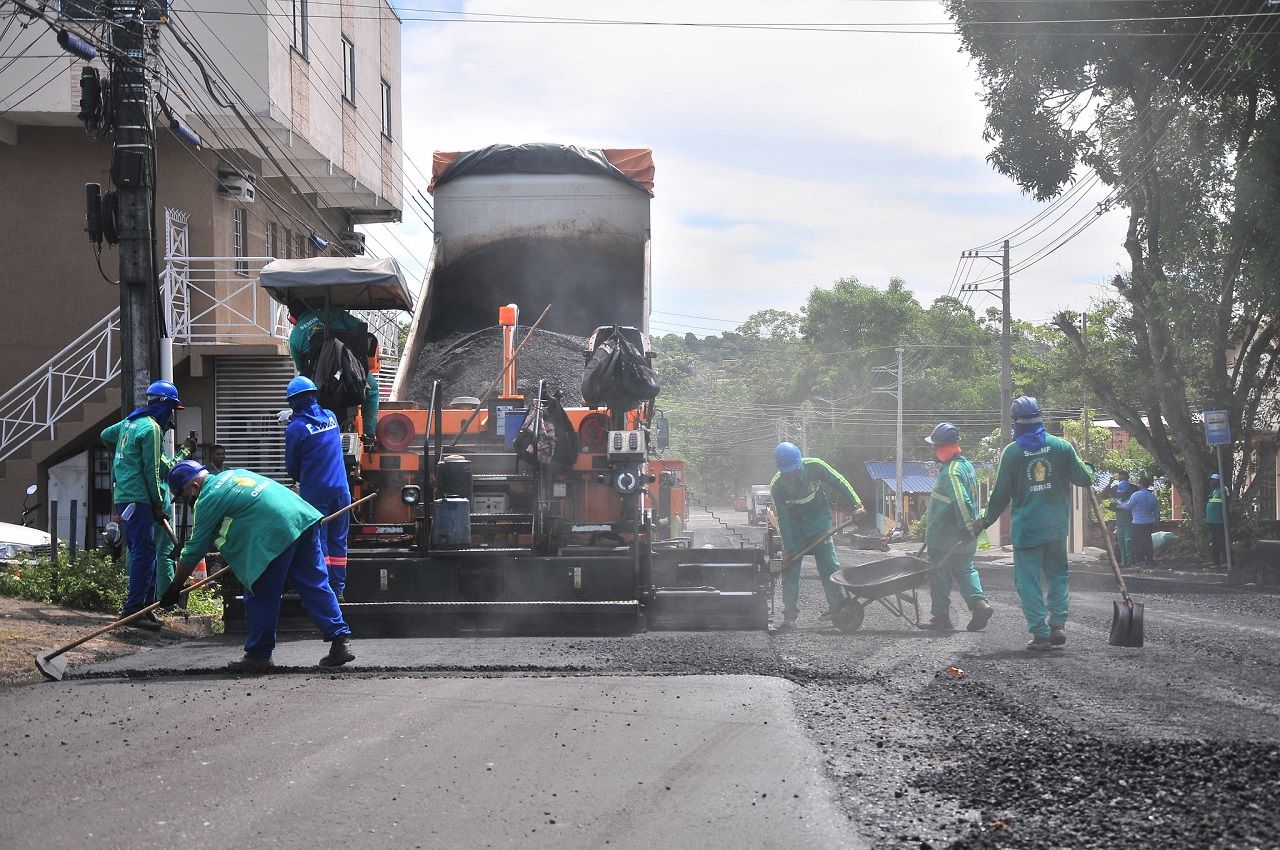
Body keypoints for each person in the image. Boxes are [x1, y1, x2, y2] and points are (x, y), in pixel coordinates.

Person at [161, 460, 354, 671]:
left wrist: (175, 586)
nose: (189, 502)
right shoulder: (235, 475)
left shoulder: (207, 498)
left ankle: (258, 655)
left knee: (260, 593)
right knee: (315, 585)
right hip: (301, 518)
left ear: (195, 487)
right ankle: (340, 642)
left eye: (187, 496)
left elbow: (194, 550)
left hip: (275, 531)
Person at [976, 397, 1093, 651]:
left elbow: (1000, 495)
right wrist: (1090, 468)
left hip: (1027, 531)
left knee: (1027, 581)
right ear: (1041, 417)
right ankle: (1058, 624)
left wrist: (984, 521)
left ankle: (1040, 634)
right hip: (1056, 529)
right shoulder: (1061, 447)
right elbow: (1084, 478)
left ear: (1016, 422)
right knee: (1058, 576)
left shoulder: (1013, 452)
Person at [105, 380, 187, 629]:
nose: (172, 414)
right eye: (172, 408)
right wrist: (157, 503)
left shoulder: (130, 422)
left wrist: (124, 460)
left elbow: (105, 435)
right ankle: (133, 611)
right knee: (143, 553)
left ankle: (146, 607)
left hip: (128, 496)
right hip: (138, 498)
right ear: (163, 405)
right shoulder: (151, 428)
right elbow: (152, 471)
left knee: (148, 551)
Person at [769, 442, 866, 632]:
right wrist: (788, 548)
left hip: (818, 524)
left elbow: (839, 481)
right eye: (788, 472)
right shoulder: (778, 485)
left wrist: (856, 505)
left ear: (800, 461)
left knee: (830, 565)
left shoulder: (816, 466)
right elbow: (783, 519)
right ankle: (789, 617)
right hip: (795, 530)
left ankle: (839, 608)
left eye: (794, 469)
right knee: (790, 569)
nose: (792, 474)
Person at [284, 376, 352, 600]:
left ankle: (324, 592)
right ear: (314, 395)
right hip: (342, 491)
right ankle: (338, 588)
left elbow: (292, 467)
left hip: (315, 493)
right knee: (338, 541)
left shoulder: (295, 429)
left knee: (318, 543)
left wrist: (292, 422)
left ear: (293, 402)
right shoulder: (331, 417)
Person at [921, 423, 993, 632]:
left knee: (939, 575)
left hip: (947, 538)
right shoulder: (966, 466)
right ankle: (979, 604)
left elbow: (961, 500)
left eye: (934, 447)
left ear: (942, 447)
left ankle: (941, 618)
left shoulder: (950, 472)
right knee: (966, 570)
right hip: (965, 538)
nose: (933, 451)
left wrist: (965, 526)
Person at [287, 304, 379, 441]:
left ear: (294, 318)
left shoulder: (295, 335)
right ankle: (369, 434)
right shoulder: (337, 313)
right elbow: (361, 328)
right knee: (373, 390)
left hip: (317, 380)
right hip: (349, 371)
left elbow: (301, 366)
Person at [1118, 475, 1159, 566]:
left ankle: (1140, 559)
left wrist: (1120, 504)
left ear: (1140, 484)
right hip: (1149, 522)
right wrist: (1157, 522)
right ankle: (1149, 560)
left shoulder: (1136, 495)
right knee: (1148, 540)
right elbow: (1157, 511)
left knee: (1137, 541)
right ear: (1148, 485)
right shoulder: (1152, 497)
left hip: (1137, 522)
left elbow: (1127, 506)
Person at [1102, 470, 1135, 567]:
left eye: (1123, 478)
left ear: (1127, 478)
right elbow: (1103, 495)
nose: (1121, 480)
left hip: (1130, 517)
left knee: (1128, 540)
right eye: (1120, 478)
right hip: (1120, 518)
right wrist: (1109, 483)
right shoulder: (1116, 488)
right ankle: (1124, 561)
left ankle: (1131, 561)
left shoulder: (1133, 488)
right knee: (1121, 541)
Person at [1205, 473, 1227, 567]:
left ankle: (1227, 561)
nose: (1212, 482)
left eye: (1214, 480)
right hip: (1211, 521)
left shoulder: (1223, 490)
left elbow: (1226, 504)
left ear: (1218, 481)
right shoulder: (1213, 492)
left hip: (1219, 521)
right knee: (1214, 542)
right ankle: (1215, 561)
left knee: (1221, 541)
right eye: (1211, 480)